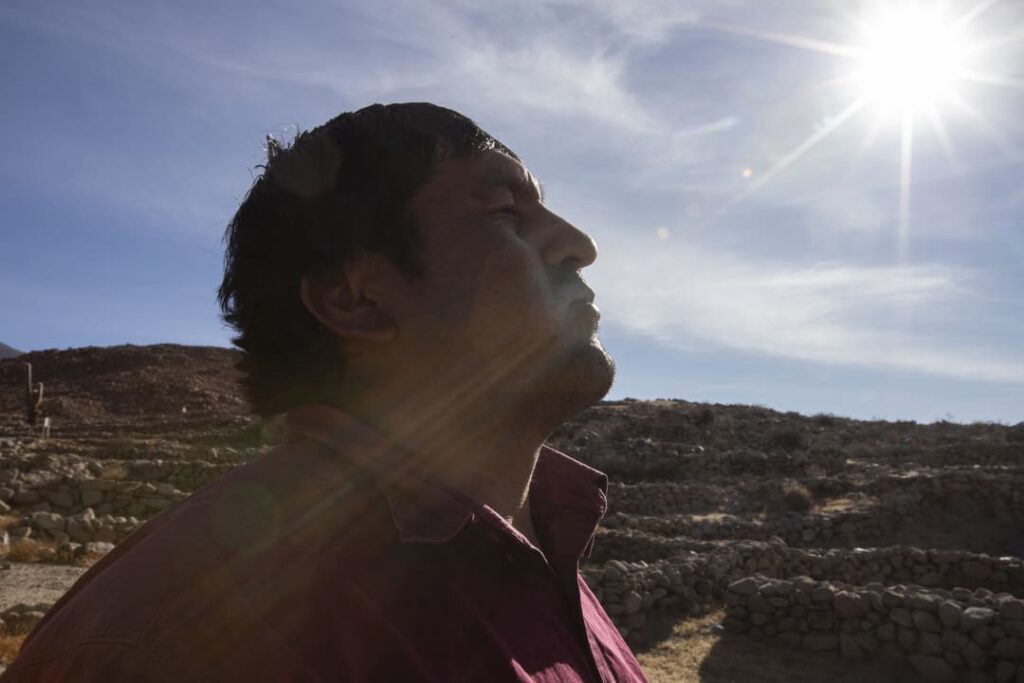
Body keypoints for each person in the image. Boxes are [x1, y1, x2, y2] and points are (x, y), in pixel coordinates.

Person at [2, 103, 647, 682]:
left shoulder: (542, 549)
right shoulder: (179, 645)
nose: (581, 245)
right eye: (504, 210)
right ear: (356, 299)